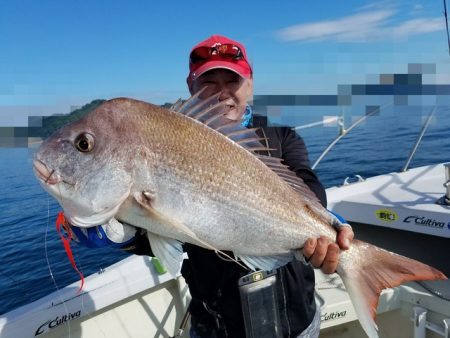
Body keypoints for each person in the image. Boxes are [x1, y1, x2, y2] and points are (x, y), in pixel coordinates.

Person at [72, 34, 354, 338]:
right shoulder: (167, 141)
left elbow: (307, 182)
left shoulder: (281, 137)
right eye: (209, 82)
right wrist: (119, 233)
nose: (222, 94)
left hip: (296, 321)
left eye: (231, 80)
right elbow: (158, 229)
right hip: (216, 326)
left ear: (250, 84)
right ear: (191, 87)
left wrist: (325, 221)